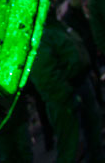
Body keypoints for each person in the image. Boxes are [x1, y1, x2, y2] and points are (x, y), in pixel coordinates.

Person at [30, 14, 104, 162]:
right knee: (72, 146)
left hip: (80, 86)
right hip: (67, 95)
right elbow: (45, 75)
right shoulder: (38, 35)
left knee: (92, 135)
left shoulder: (56, 25)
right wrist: (67, 95)